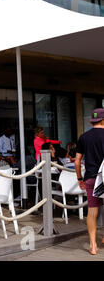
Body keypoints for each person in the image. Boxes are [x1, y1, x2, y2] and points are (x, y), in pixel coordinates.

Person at [75, 108, 104, 255]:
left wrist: (80, 178)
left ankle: (93, 245)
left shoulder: (84, 137)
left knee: (92, 212)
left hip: (91, 178)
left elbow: (77, 161)